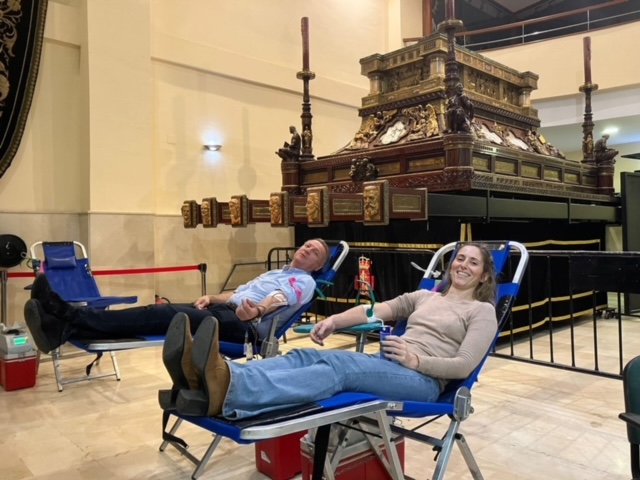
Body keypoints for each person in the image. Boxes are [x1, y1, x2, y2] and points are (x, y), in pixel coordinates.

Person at [165, 242, 498, 419]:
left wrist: (416, 361)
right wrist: (334, 321)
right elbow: (374, 310)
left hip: (423, 382)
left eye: (473, 262)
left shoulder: (481, 311)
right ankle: (209, 378)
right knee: (305, 355)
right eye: (460, 258)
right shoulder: (425, 297)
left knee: (340, 367)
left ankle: (229, 389)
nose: (463, 265)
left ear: (484, 275)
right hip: (390, 366)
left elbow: (463, 365)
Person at [23, 238, 331, 356]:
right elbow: (238, 293)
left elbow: (279, 298)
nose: (307, 249)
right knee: (154, 314)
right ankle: (64, 329)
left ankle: (66, 313)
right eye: (306, 245)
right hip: (226, 312)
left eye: (315, 252)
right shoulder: (275, 271)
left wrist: (258, 311)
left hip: (244, 328)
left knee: (166, 315)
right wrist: (212, 297)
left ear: (318, 266)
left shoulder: (303, 281)